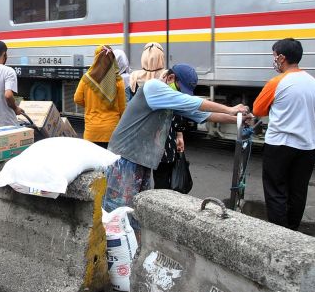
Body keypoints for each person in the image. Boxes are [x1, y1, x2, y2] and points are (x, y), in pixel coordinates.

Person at [103, 63, 251, 212]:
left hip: (141, 158)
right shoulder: (154, 87)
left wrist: (236, 119)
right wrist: (230, 109)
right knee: (119, 209)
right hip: (125, 157)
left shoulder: (169, 99)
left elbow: (204, 115)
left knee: (134, 209)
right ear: (170, 77)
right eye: (181, 89)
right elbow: (192, 102)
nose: (182, 95)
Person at [253, 38, 315, 231]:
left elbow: (258, 109)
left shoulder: (277, 82)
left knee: (276, 191)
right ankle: (292, 231)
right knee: (298, 192)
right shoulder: (312, 81)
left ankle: (279, 234)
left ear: (282, 58)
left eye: (274, 56)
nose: (274, 60)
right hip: (307, 146)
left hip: (280, 145)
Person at [74, 45, 126, 148]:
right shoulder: (118, 81)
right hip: (111, 132)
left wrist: (90, 105)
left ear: (96, 58)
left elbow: (77, 99)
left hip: (91, 131)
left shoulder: (86, 79)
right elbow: (122, 109)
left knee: (92, 163)